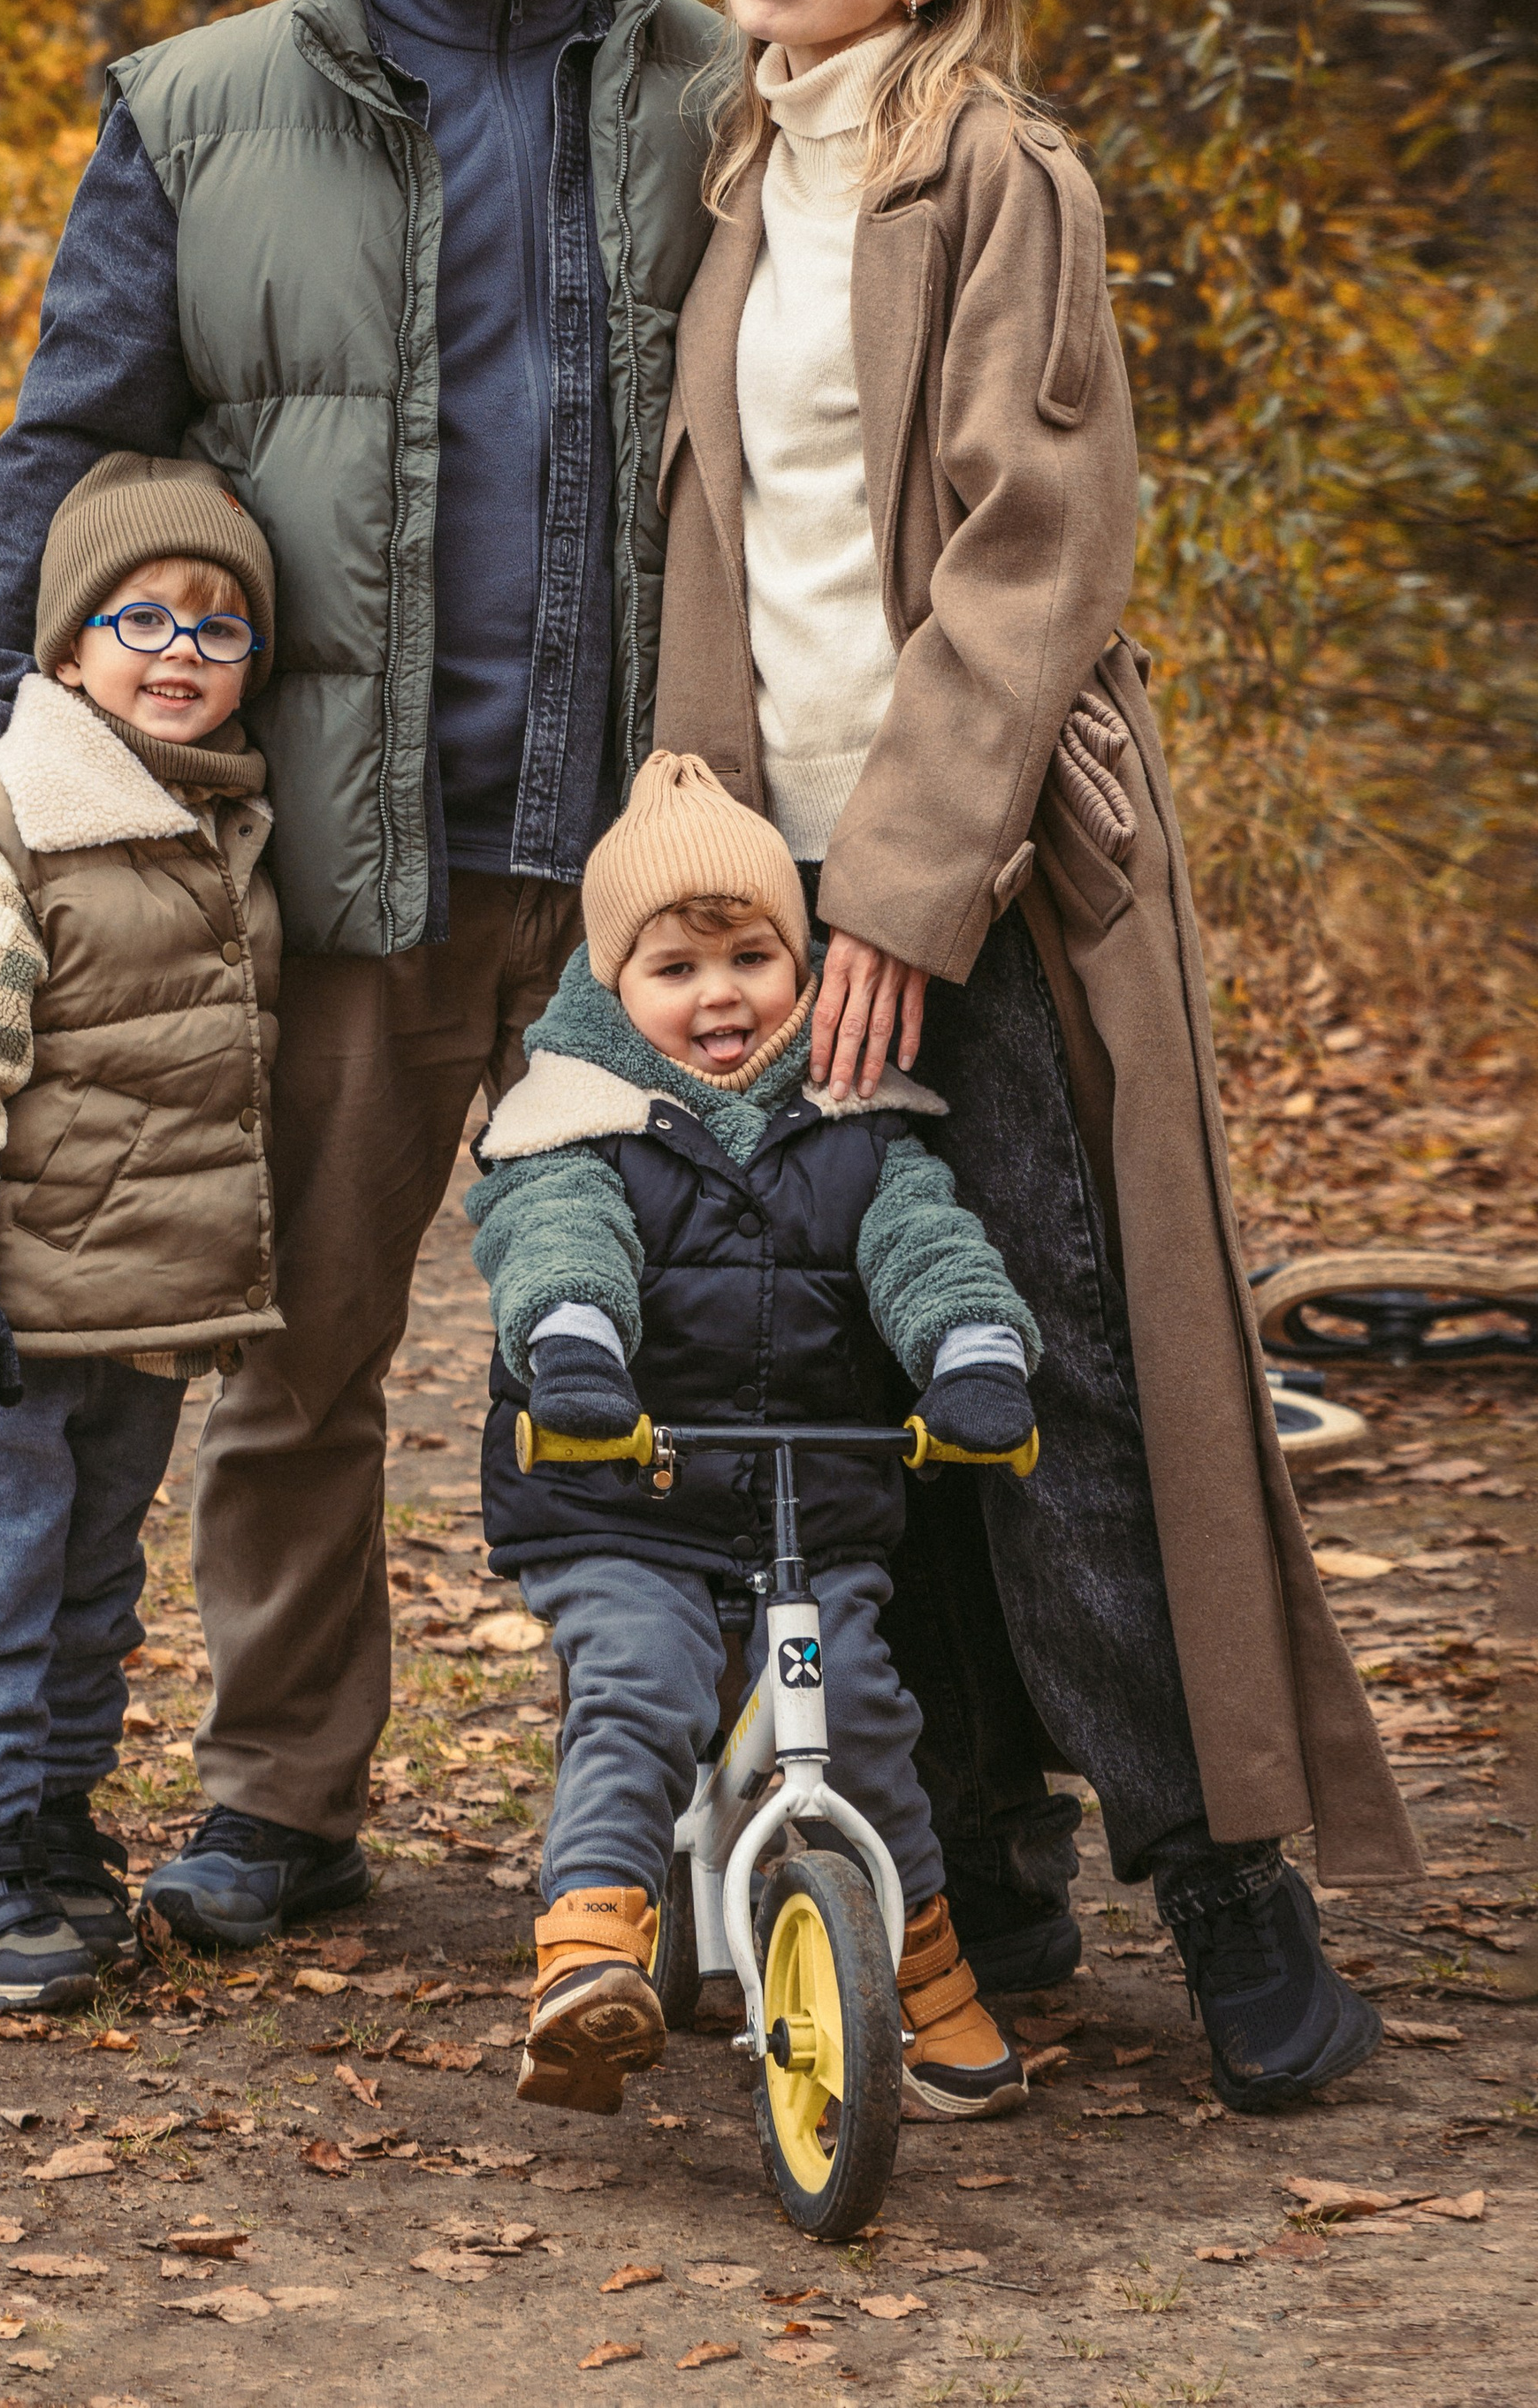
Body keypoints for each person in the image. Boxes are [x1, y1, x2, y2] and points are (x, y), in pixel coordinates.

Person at [0, 0, 724, 1948]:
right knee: (299, 1356)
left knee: (679, 1358)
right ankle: (280, 1797)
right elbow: (73, 436)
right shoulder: (205, 106)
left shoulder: (726, 91)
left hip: (661, 871)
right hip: (359, 859)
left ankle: (684, 1824)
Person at [651, 0, 1418, 2111]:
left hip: (975, 869)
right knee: (849, 1378)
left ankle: (1227, 1887)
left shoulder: (994, 171)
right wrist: (721, 887)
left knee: (1062, 1367)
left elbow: (1029, 550)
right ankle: (981, 1863)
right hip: (763, 888)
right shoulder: (732, 173)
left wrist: (901, 887)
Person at [468, 751, 1042, 2121]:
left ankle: (920, 1971)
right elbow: (556, 1239)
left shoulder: (861, 1128)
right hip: (625, 1500)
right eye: (675, 967)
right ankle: (591, 1949)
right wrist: (574, 1350)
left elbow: (930, 1250)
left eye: (750, 956)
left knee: (858, 1709)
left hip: (808, 1511)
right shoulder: (576, 1129)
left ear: (806, 966)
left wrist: (972, 1360)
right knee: (644, 1681)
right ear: (615, 991)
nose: (718, 994)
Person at [0, 453, 286, 2009]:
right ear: (63, 651)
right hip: (11, 1305)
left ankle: (53, 1822)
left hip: (137, 1304)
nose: (181, 651)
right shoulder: (15, 827)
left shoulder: (214, 822)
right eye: (142, 617)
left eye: (220, 628)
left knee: (96, 1584)